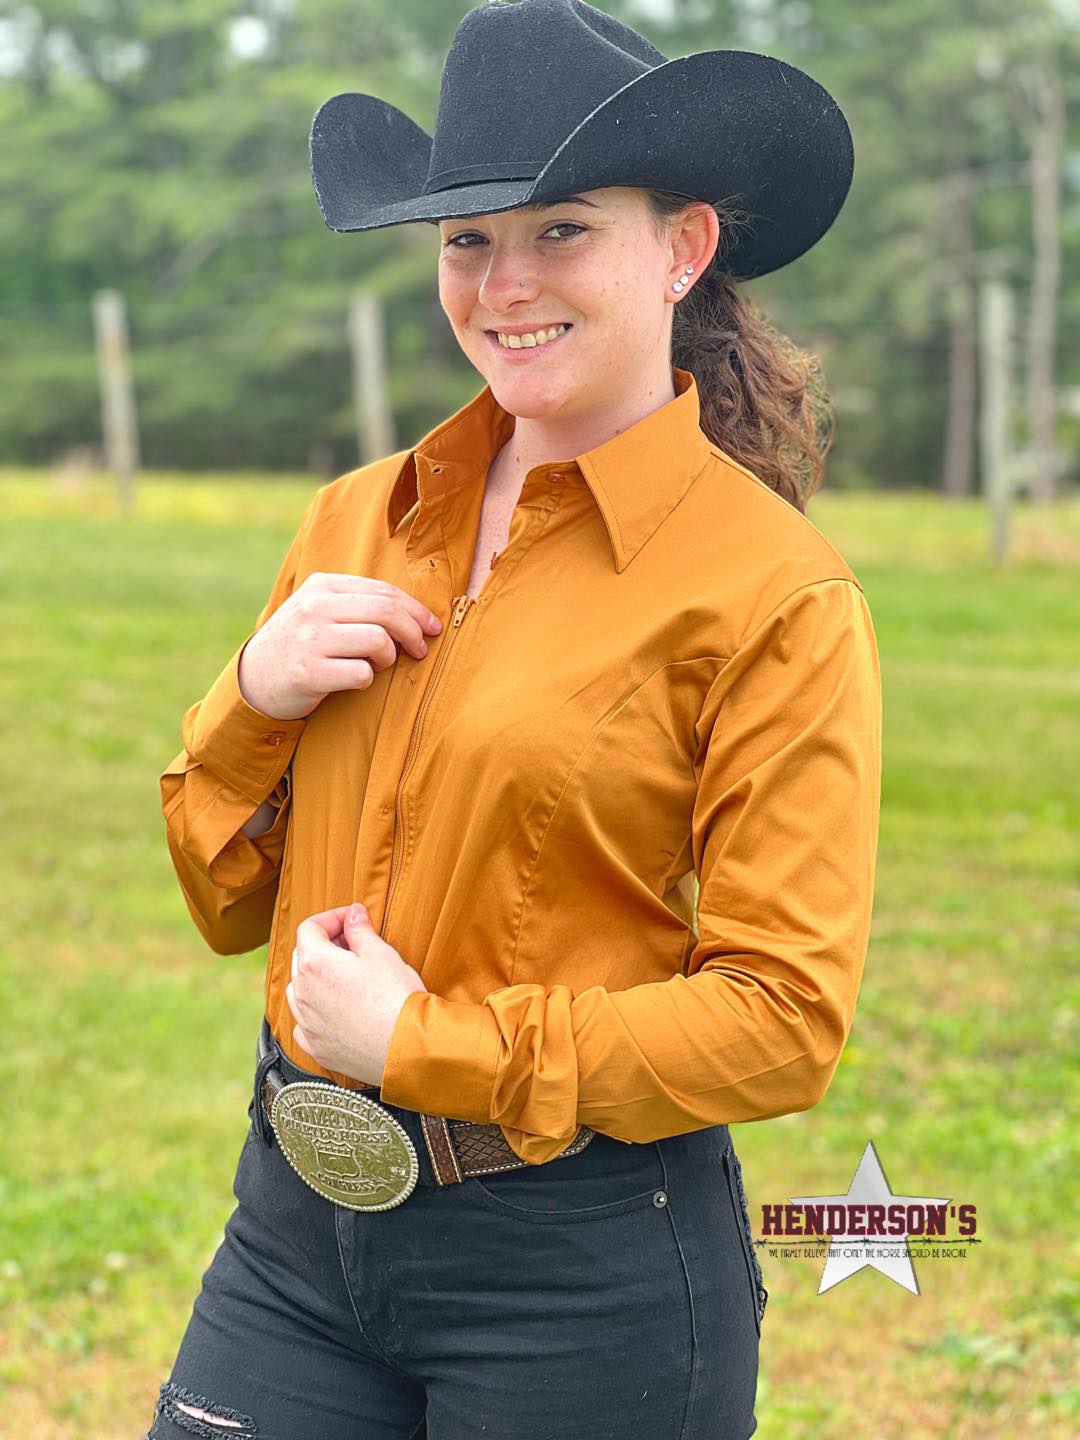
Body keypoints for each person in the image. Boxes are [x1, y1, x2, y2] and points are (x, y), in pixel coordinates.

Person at [147, 3, 881, 1438]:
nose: (505, 283)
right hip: (294, 1235)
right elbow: (228, 905)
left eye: (563, 231)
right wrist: (251, 702)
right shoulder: (357, 520)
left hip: (578, 1273)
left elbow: (782, 1022)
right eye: (468, 239)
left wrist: (427, 1043)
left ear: (683, 249)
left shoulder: (776, 594)